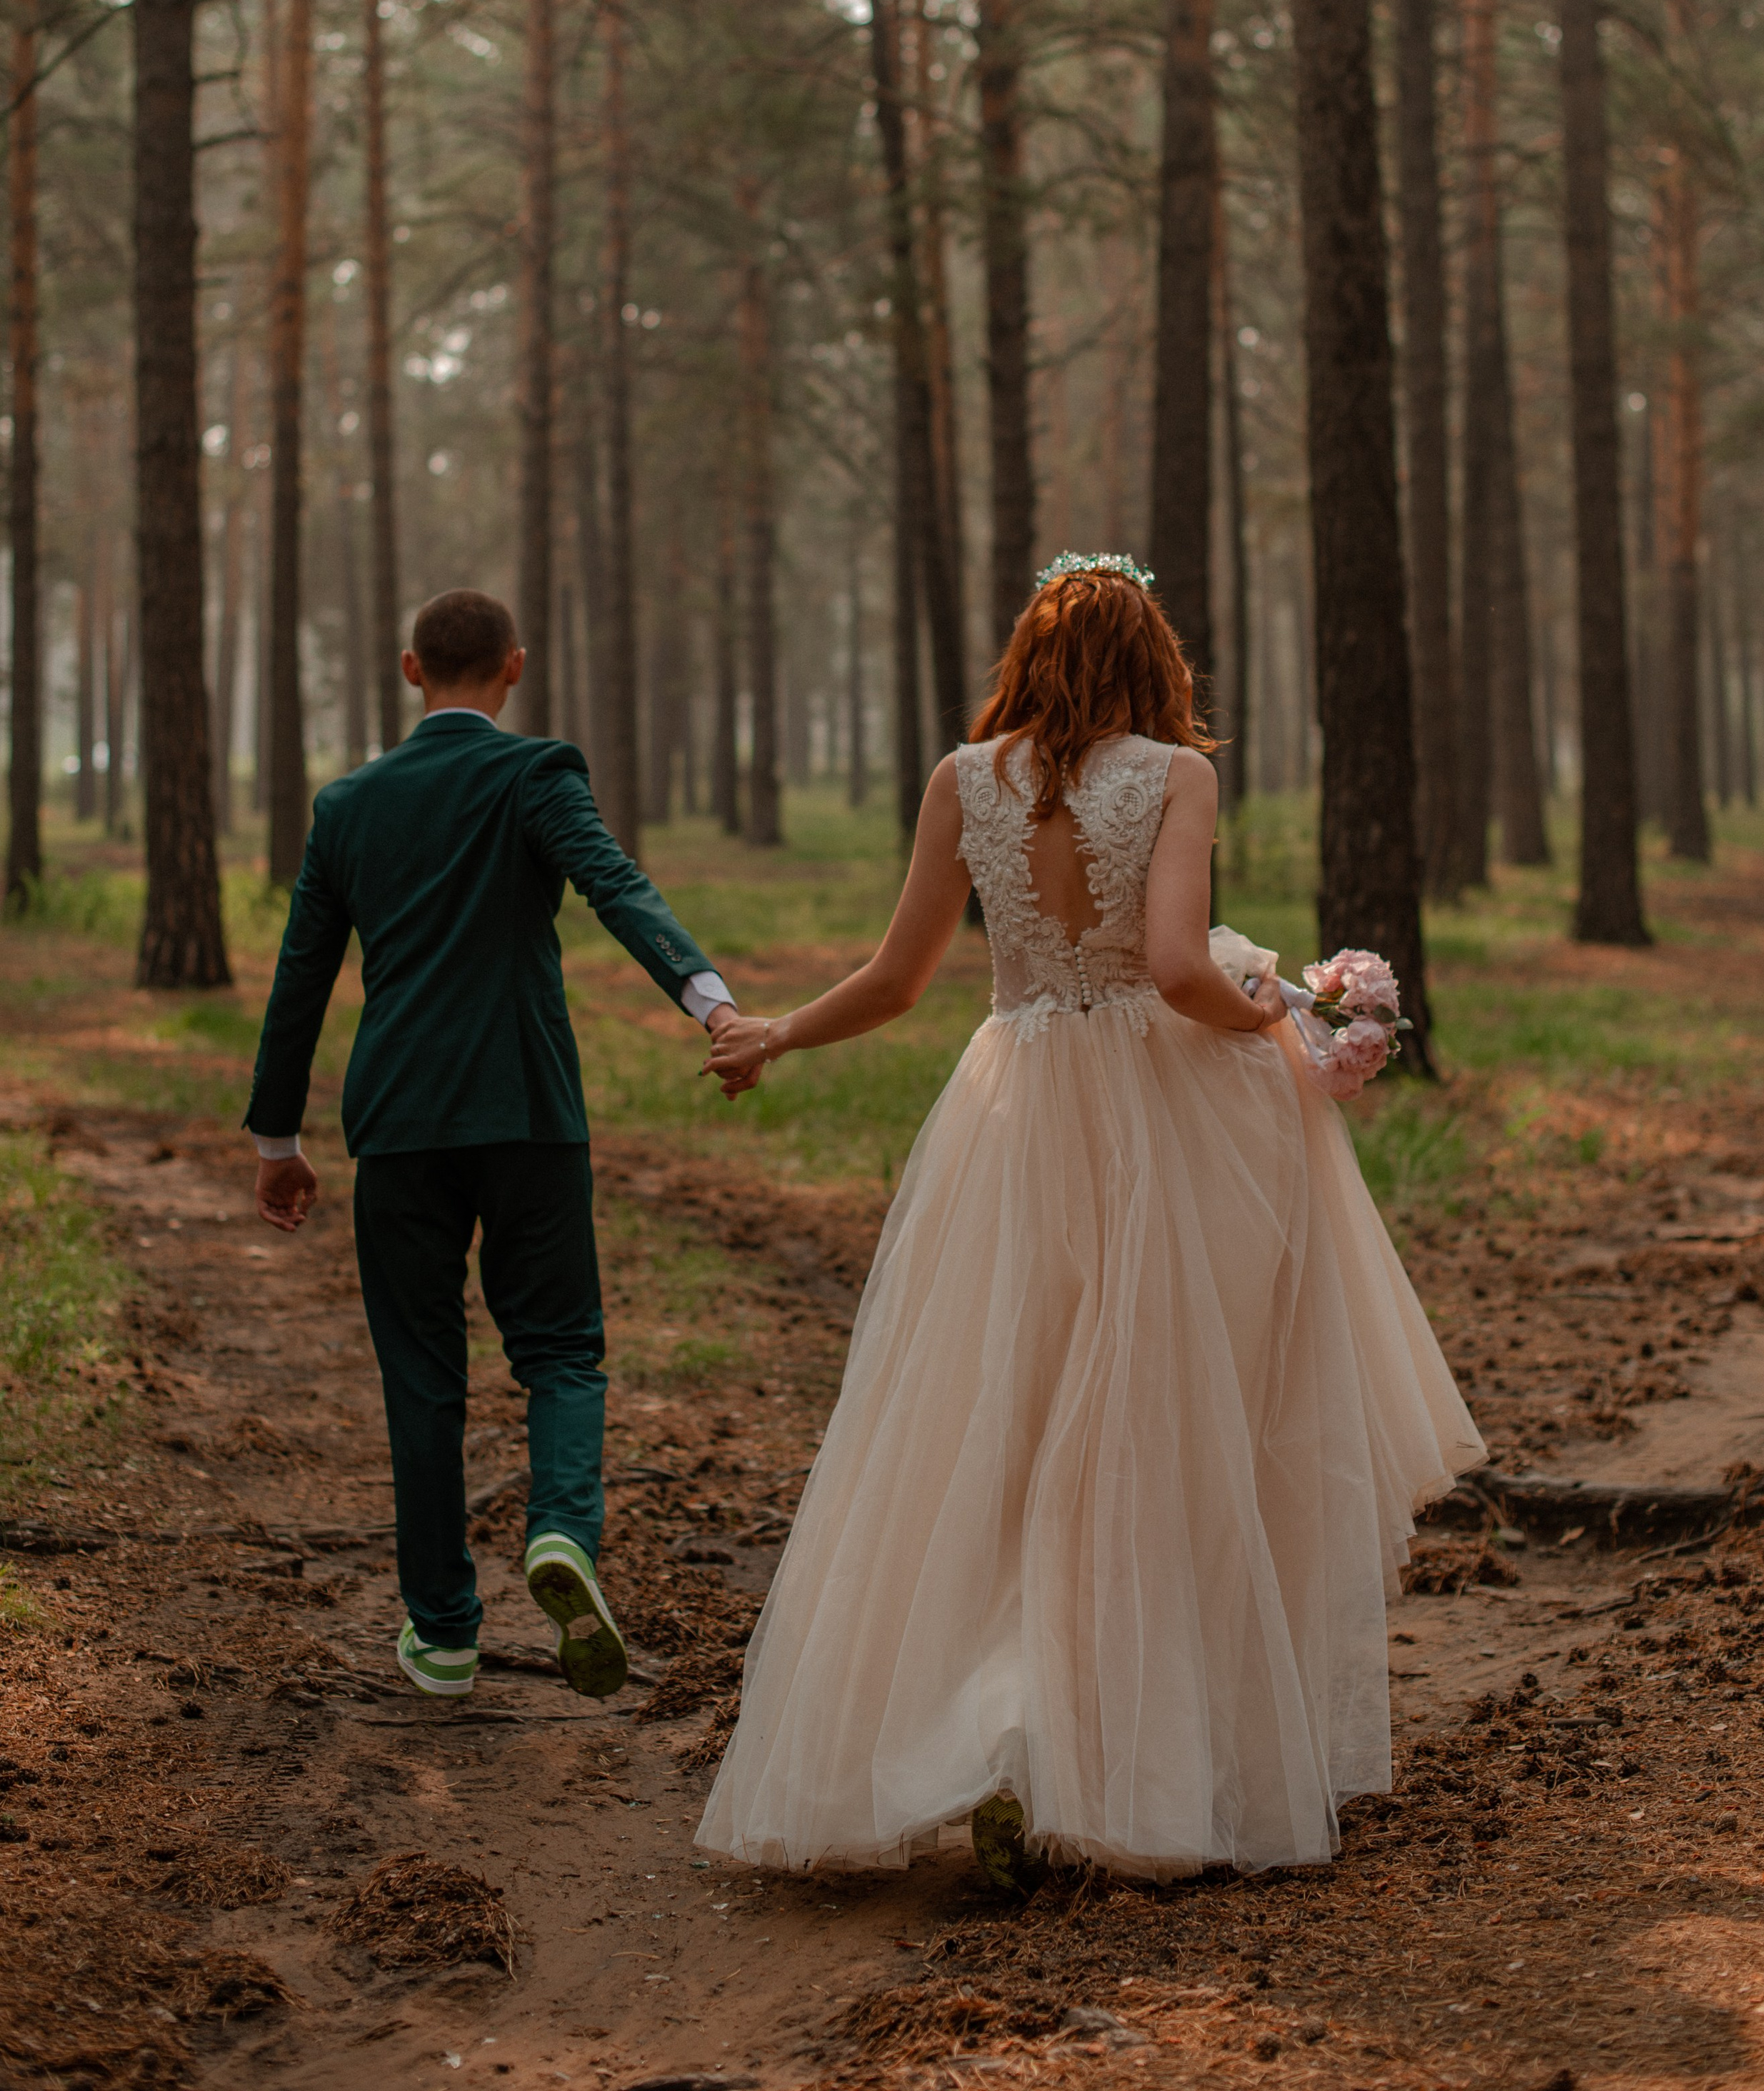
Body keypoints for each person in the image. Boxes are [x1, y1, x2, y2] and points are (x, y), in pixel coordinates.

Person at [699, 556, 1483, 1884]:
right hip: (1151, 1123)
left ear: (1029, 654)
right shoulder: (1175, 777)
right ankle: (1099, 1750)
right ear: (1151, 661)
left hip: (1010, 1114)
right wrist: (1275, 1012)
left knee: (994, 1422)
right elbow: (1176, 970)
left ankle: (989, 1733)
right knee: (1147, 1425)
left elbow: (897, 979)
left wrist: (775, 1031)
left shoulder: (964, 780)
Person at [243, 587, 738, 1703]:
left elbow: (300, 975)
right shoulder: (535, 775)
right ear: (514, 666)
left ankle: (444, 1634)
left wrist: (278, 1137)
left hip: (399, 1124)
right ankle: (560, 1530)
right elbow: (615, 886)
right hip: (527, 1113)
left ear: (410, 669)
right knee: (560, 1351)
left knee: (422, 1376)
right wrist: (710, 1004)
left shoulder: (347, 806)